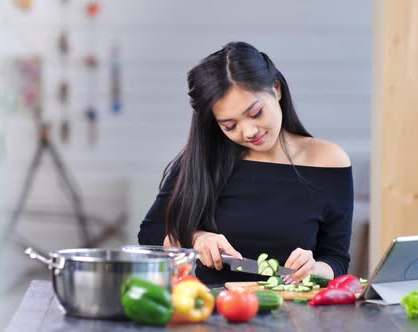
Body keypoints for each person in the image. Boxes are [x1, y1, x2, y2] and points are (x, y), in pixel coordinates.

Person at [138, 42, 353, 285]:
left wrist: (314, 269)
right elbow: (150, 234)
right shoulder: (204, 159)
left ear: (277, 89)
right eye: (229, 126)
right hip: (214, 311)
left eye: (255, 113)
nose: (249, 131)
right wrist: (196, 238)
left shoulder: (330, 161)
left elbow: (336, 259)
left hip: (297, 314)